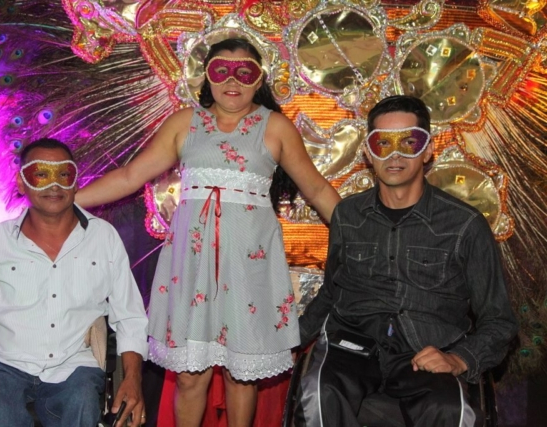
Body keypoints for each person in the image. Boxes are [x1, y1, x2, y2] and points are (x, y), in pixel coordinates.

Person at [75, 38, 341, 426]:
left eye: (244, 72)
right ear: (207, 76)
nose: (232, 81)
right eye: (222, 71)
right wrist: (66, 200)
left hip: (247, 268)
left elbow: (316, 189)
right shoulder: (184, 123)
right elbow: (131, 175)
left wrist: (362, 230)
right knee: (189, 376)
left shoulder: (275, 127)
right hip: (192, 267)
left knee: (240, 376)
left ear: (259, 79)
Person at [295, 95, 518, 426]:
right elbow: (331, 292)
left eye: (409, 142)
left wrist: (460, 359)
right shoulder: (348, 215)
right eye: (383, 143)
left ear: (428, 150)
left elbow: (499, 320)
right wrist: (287, 342)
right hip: (352, 346)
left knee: (450, 411)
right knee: (320, 395)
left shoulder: (465, 225)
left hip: (426, 349)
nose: (395, 154)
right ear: (368, 152)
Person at [0, 138, 149, 427]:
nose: (54, 185)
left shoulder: (104, 238)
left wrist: (133, 381)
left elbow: (130, 318)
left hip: (75, 368)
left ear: (76, 182)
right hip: (4, 365)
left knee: (82, 402)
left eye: (64, 174)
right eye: (41, 174)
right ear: (21, 183)